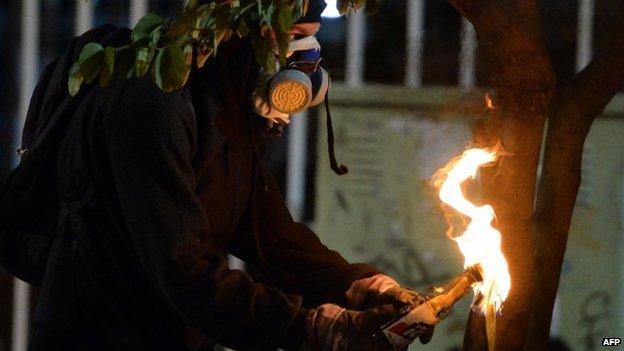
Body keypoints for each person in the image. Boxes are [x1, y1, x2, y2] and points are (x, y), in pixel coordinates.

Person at [26, 1, 433, 350]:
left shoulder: (223, 94)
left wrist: (356, 284)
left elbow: (264, 229)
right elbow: (183, 269)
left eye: (310, 34)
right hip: (102, 336)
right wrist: (308, 327)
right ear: (240, 28)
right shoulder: (152, 104)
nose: (305, 58)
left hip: (176, 334)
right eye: (292, 33)